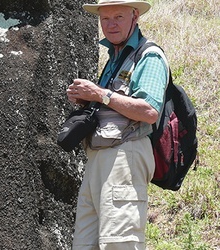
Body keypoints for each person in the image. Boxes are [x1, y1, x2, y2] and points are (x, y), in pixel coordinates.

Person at [67, 0, 169, 249]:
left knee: (119, 244)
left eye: (118, 17)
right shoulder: (115, 57)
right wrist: (88, 100)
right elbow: (114, 104)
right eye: (105, 18)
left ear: (135, 17)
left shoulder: (149, 55)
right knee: (84, 245)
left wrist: (99, 94)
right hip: (99, 159)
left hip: (126, 155)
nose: (110, 24)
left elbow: (149, 111)